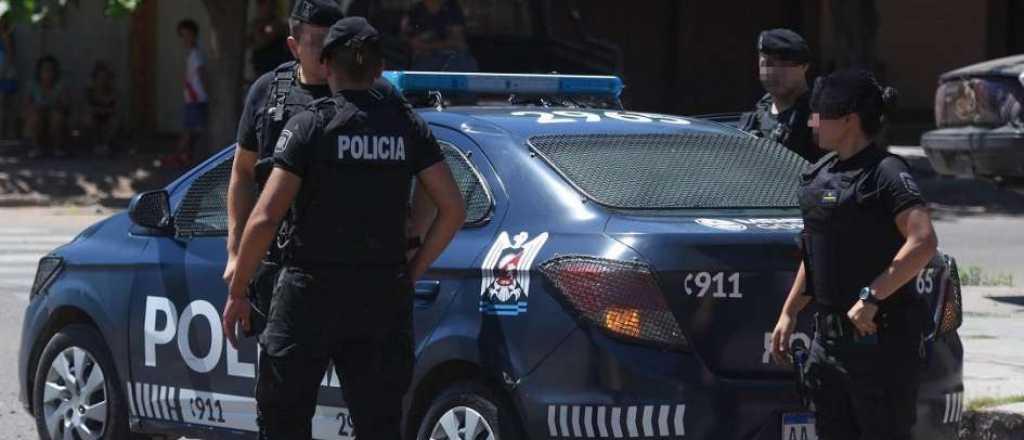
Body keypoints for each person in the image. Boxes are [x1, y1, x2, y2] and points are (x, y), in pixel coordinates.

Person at [223, 16, 466, 439]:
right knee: (380, 424)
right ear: (377, 70)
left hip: (309, 296)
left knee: (284, 421)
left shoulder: (310, 125)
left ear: (328, 65)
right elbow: (452, 207)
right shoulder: (406, 125)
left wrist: (238, 288)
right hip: (381, 295)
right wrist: (412, 271)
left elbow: (265, 217)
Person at [225, 0, 422, 366]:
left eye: (333, 41)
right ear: (293, 46)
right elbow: (241, 174)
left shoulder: (376, 97)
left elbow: (423, 173)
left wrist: (411, 245)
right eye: (316, 43)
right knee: (282, 398)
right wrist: (237, 253)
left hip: (361, 270)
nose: (327, 52)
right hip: (285, 268)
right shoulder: (270, 94)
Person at [769, 69, 939, 440]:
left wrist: (872, 295)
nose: (812, 121)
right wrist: (790, 311)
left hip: (879, 347)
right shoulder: (820, 174)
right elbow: (815, 252)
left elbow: (923, 241)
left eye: (820, 114)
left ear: (848, 120)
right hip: (827, 346)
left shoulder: (886, 173)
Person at [739, 28, 826, 163]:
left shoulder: (815, 116)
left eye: (785, 65)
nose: (774, 73)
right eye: (767, 64)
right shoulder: (759, 114)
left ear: (804, 66)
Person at [166, 18, 208, 167]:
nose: (184, 39)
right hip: (191, 96)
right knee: (190, 127)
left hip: (196, 97)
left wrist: (203, 91)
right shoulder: (190, 54)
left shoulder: (196, 54)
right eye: (182, 35)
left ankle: (179, 155)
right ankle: (185, 155)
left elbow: (201, 74)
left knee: (189, 129)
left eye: (187, 35)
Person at [401, 0, 478, 71]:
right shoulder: (416, 10)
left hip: (453, 58)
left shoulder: (452, 7)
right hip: (424, 60)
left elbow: (458, 42)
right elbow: (413, 43)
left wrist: (429, 45)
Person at [23, 55, 70, 159]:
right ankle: (36, 148)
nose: (48, 73)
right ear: (39, 71)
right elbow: (27, 105)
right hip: (38, 116)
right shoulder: (32, 85)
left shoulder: (61, 86)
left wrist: (54, 106)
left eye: (51, 70)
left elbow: (66, 106)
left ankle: (58, 148)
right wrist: (36, 109)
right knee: (35, 117)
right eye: (45, 69)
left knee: (57, 117)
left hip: (54, 115)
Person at [84, 61, 120, 156]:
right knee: (89, 119)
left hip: (108, 116)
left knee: (114, 121)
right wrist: (99, 110)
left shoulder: (113, 92)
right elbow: (87, 108)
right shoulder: (90, 92)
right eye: (100, 77)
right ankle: (96, 145)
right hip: (95, 116)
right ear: (95, 78)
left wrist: (105, 110)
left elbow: (115, 109)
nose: (102, 80)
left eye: (105, 78)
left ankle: (105, 145)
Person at [248, 0, 291, 77]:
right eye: (261, 4)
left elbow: (266, 37)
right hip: (261, 67)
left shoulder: (276, 24)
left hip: (274, 67)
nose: (264, 8)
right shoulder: (257, 23)